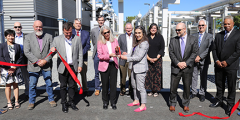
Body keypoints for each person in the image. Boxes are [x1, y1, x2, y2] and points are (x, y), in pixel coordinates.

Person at [211, 15, 240, 116]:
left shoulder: (238, 34)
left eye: (228, 24)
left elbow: (238, 51)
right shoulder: (219, 35)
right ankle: (219, 100)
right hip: (219, 65)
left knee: (231, 86)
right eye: (225, 24)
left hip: (231, 65)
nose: (226, 25)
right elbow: (214, 49)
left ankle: (230, 105)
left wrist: (227, 62)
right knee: (219, 84)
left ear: (233, 24)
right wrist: (216, 60)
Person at [24, 20, 56, 110]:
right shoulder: (28, 37)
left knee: (49, 83)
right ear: (33, 27)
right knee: (32, 84)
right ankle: (31, 101)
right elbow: (26, 51)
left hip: (46, 65)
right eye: (36, 26)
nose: (38, 28)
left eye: (40, 27)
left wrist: (45, 60)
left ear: (43, 27)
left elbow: (53, 50)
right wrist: (37, 61)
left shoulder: (49, 36)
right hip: (33, 65)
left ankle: (51, 99)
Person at [51, 22, 83, 113]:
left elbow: (80, 53)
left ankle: (71, 102)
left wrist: (80, 65)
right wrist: (52, 49)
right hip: (62, 67)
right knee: (63, 86)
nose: (68, 35)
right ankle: (64, 103)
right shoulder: (57, 39)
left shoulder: (77, 39)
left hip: (73, 66)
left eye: (70, 32)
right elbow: (52, 50)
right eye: (66, 33)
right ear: (63, 31)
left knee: (72, 86)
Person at [168, 23, 198, 113]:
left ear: (184, 29)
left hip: (187, 68)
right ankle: (172, 103)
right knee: (173, 87)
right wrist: (177, 63)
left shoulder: (193, 39)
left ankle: (186, 104)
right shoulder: (173, 40)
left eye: (179, 30)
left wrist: (186, 63)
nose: (177, 32)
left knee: (187, 87)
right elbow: (171, 53)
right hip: (176, 67)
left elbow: (194, 52)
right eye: (176, 30)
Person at [119, 26, 149, 112]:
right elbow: (131, 54)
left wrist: (124, 58)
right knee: (134, 86)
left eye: (139, 33)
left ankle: (143, 105)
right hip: (134, 67)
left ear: (143, 33)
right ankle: (136, 100)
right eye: (136, 33)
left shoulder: (144, 43)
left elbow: (138, 57)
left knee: (141, 87)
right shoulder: (136, 43)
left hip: (140, 69)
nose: (137, 35)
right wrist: (121, 56)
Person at [190, 19, 213, 102]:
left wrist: (200, 56)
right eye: (199, 25)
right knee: (194, 76)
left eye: (203, 25)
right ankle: (193, 92)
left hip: (204, 60)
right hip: (194, 60)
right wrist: (195, 57)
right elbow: (191, 47)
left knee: (203, 77)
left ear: (205, 26)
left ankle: (202, 93)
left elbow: (209, 48)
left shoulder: (209, 36)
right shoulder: (193, 35)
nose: (201, 27)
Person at [0, 29, 23, 110]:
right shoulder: (1, 46)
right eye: (9, 36)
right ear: (6, 36)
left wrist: (14, 67)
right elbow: (1, 58)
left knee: (15, 85)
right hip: (6, 69)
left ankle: (16, 100)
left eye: (12, 35)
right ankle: (9, 101)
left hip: (15, 68)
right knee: (8, 85)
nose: (11, 37)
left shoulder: (17, 46)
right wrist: (9, 68)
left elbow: (20, 57)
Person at [97, 25, 119, 110]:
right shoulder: (100, 42)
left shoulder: (115, 41)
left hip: (113, 65)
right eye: (105, 32)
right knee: (105, 85)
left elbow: (117, 53)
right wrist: (109, 55)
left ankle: (113, 102)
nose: (107, 34)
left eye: (108, 32)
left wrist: (117, 51)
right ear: (102, 33)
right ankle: (105, 102)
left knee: (113, 85)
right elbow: (100, 56)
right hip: (104, 65)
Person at [145, 23, 165, 97]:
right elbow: (144, 49)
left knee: (157, 75)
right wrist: (149, 58)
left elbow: (162, 48)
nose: (153, 29)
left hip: (158, 59)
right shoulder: (146, 37)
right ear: (149, 29)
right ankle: (150, 89)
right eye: (152, 28)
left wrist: (156, 58)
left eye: (155, 28)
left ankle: (156, 90)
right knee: (149, 75)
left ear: (157, 29)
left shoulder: (160, 37)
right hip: (148, 59)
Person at [72, 18, 90, 95]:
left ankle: (85, 88)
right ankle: (75, 88)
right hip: (73, 58)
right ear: (73, 25)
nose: (78, 25)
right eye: (76, 23)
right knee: (74, 74)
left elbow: (87, 45)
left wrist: (81, 53)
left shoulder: (86, 33)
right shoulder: (71, 32)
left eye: (79, 23)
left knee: (83, 74)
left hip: (84, 57)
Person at [13, 22, 30, 99]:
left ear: (21, 27)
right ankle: (15, 95)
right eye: (16, 27)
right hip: (14, 59)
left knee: (25, 76)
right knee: (14, 77)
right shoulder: (12, 37)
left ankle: (28, 92)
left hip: (24, 58)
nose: (17, 28)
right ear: (14, 28)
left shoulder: (26, 37)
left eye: (19, 27)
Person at [90, 15, 105, 96]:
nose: (101, 21)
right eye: (99, 20)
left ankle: (106, 88)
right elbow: (93, 42)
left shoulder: (108, 30)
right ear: (97, 21)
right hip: (97, 54)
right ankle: (97, 88)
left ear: (104, 21)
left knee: (105, 72)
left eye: (102, 20)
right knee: (97, 72)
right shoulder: (94, 30)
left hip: (105, 54)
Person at [118, 22, 133, 96]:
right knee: (123, 77)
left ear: (132, 29)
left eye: (130, 28)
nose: (128, 29)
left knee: (131, 76)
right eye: (127, 28)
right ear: (125, 28)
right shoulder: (121, 37)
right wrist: (122, 52)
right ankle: (122, 90)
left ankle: (131, 90)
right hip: (123, 59)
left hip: (131, 59)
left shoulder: (135, 37)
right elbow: (118, 47)